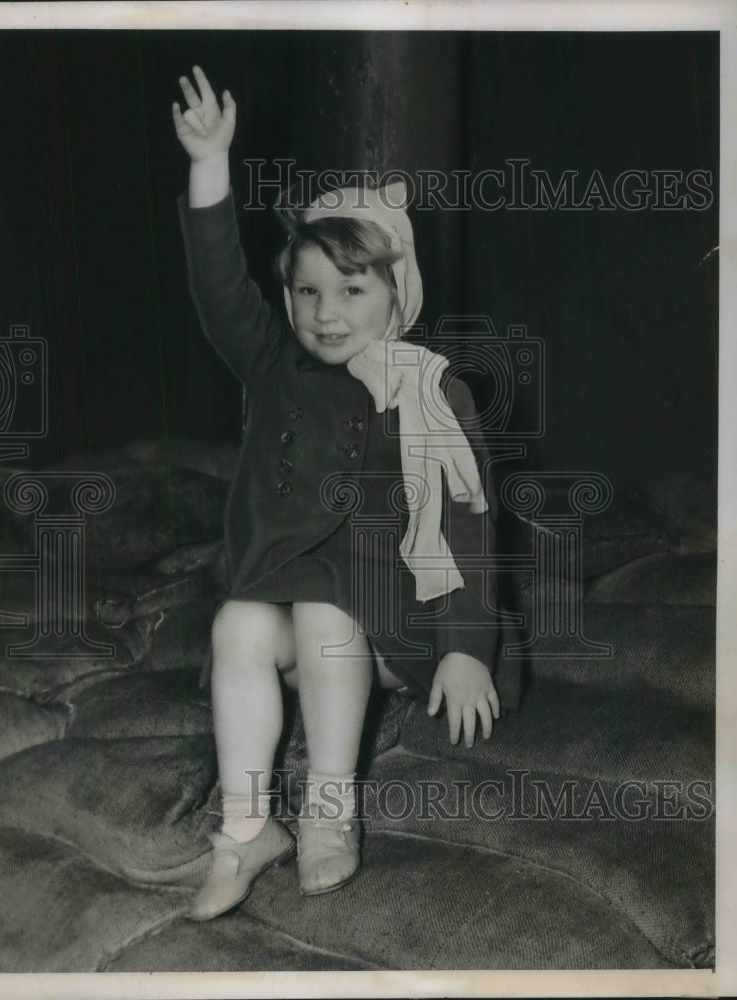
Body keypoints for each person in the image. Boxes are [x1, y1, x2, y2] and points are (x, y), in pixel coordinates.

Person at [172, 65, 522, 921]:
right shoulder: (274, 364)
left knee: (330, 613)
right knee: (236, 621)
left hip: (394, 614)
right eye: (307, 292)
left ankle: (330, 806)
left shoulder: (432, 393)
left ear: (396, 295)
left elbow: (471, 529)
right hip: (292, 597)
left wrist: (467, 647)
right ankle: (249, 826)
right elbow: (220, 290)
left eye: (352, 291)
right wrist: (211, 163)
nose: (327, 313)